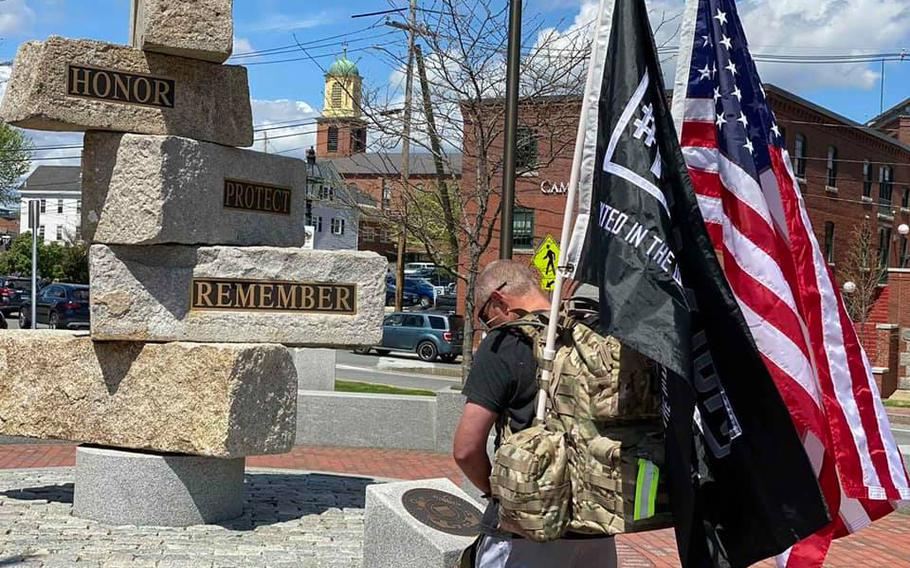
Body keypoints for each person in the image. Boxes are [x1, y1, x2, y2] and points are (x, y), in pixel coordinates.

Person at [453, 260, 618, 568]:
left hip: (526, 528)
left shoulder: (505, 342)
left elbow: (465, 448)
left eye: (486, 318)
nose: (490, 326)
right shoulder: (592, 336)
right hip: (596, 523)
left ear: (499, 300)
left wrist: (498, 491)